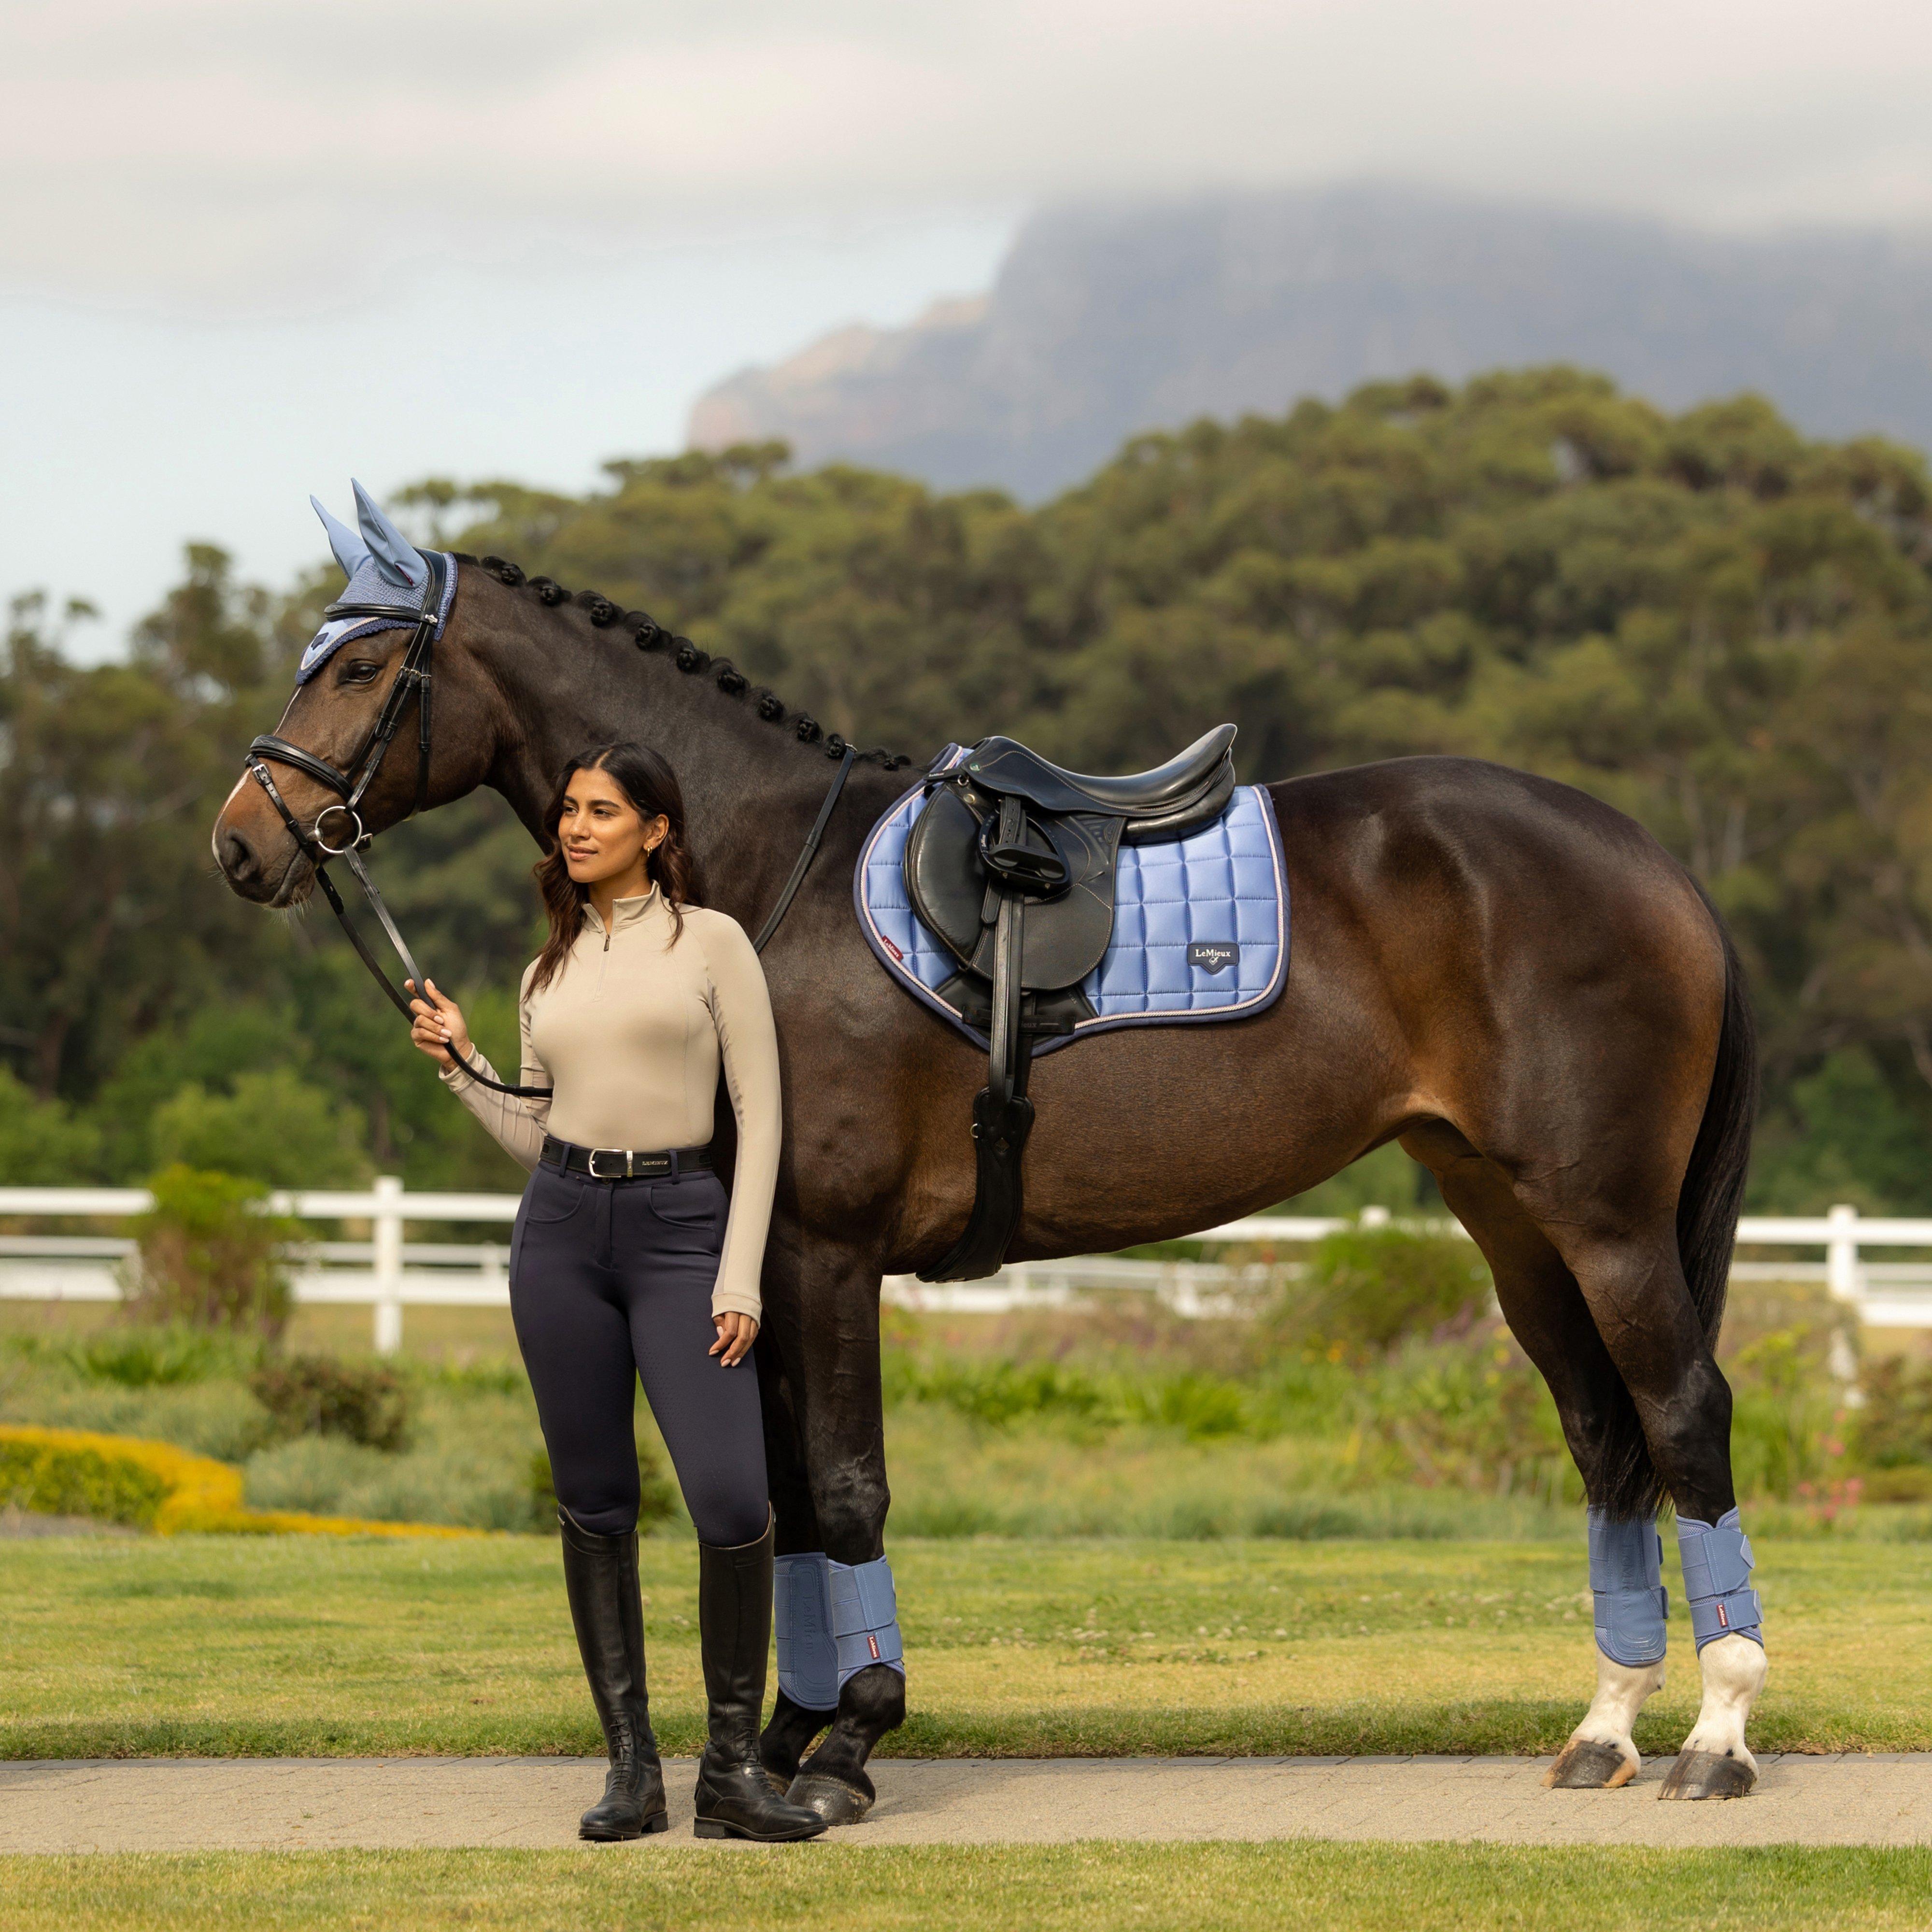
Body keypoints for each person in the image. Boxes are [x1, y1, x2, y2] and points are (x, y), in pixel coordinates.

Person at [408, 741, 825, 1844]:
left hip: (682, 1230)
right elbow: (536, 1128)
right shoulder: (545, 973)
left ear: (655, 828)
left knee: (733, 1502)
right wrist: (461, 1062)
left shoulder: (712, 944)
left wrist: (739, 1272)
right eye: (567, 811)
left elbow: (762, 1113)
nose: (575, 826)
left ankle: (730, 1770)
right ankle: (632, 1767)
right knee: (594, 1504)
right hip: (558, 1236)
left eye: (601, 810)